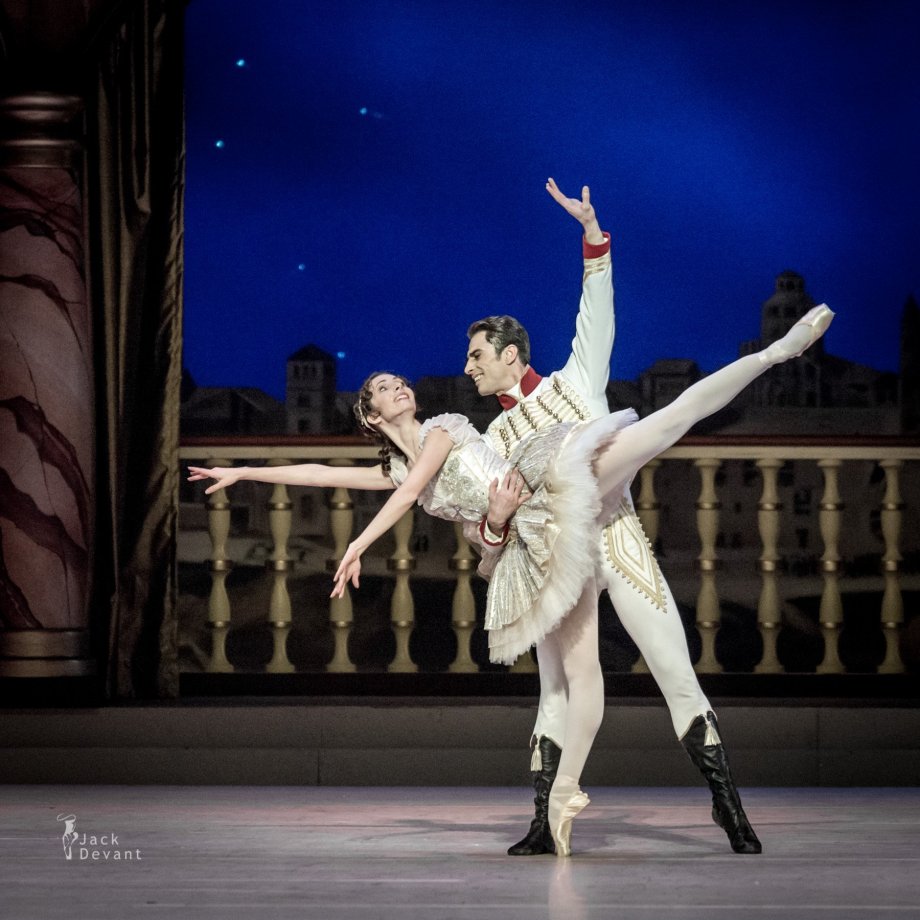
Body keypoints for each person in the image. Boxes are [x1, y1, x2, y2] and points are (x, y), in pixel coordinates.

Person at [188, 301, 834, 856]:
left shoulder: (444, 427)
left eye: (397, 380)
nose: (399, 385)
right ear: (370, 416)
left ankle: (775, 353)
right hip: (535, 542)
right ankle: (551, 818)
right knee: (572, 686)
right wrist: (245, 473)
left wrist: (359, 541)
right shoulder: (396, 464)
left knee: (663, 425)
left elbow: (416, 487)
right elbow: (335, 477)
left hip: (549, 486)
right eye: (384, 387)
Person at [466, 179, 767, 859]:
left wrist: (591, 231)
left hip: (616, 537)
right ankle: (545, 822)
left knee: (672, 668)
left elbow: (595, 307)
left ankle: (730, 810)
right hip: (557, 561)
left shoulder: (577, 380)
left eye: (478, 355)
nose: (469, 367)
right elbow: (494, 518)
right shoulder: (496, 440)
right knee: (555, 691)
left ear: (512, 354)